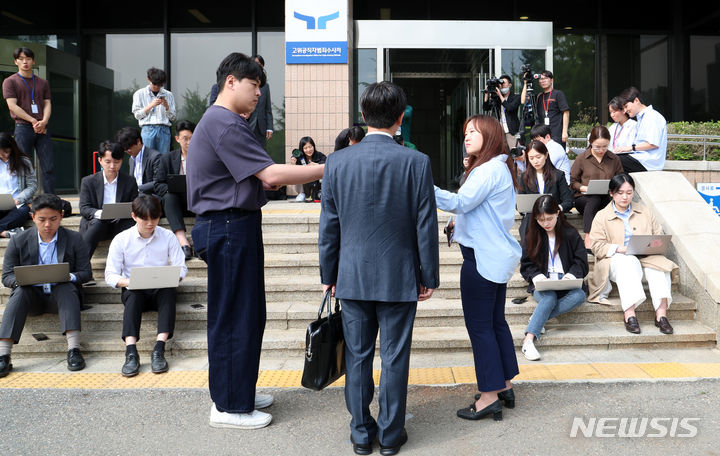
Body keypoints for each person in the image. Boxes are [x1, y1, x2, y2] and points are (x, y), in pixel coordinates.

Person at [186, 52, 323, 430]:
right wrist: (334, 166)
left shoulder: (222, 123)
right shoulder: (225, 123)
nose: (259, 93)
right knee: (236, 317)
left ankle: (238, 389)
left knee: (245, 313)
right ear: (231, 81)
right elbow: (270, 175)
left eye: (261, 86)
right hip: (228, 225)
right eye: (254, 85)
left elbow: (263, 177)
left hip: (231, 225)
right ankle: (230, 406)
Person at [319, 81, 439, 456]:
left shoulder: (336, 162)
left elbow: (329, 225)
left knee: (357, 355)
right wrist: (428, 275)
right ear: (400, 118)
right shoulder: (416, 162)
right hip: (400, 275)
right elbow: (425, 224)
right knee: (395, 356)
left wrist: (328, 275)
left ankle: (360, 434)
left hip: (350, 276)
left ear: (362, 114)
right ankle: (390, 436)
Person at [434, 115, 520, 423]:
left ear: (490, 134)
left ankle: (488, 397)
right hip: (493, 257)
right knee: (496, 323)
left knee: (480, 328)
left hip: (480, 260)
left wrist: (421, 185)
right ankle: (504, 385)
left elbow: (462, 201)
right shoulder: (498, 167)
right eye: (465, 131)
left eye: (473, 131)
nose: (467, 136)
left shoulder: (488, 169)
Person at [0, 194, 92, 377]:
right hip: (31, 297)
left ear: (61, 216)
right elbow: (6, 276)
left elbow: (86, 273)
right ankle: (3, 355)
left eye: (53, 219)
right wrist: (22, 280)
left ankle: (73, 350)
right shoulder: (19, 240)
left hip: (61, 296)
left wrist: (69, 276)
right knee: (20, 290)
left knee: (67, 287)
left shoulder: (74, 238)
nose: (48, 225)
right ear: (33, 217)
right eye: (42, 219)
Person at [104, 194, 187, 376]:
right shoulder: (121, 239)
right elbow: (110, 276)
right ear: (134, 216)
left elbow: (181, 267)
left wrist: (173, 277)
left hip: (161, 289)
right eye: (145, 219)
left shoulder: (168, 237)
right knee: (133, 295)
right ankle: (131, 352)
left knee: (168, 292)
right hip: (134, 289)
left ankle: (159, 348)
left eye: (155, 218)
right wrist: (131, 282)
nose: (150, 223)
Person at [588, 174, 677, 335]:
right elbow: (596, 245)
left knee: (659, 267)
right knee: (627, 262)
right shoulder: (602, 216)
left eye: (629, 192)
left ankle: (661, 315)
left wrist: (651, 244)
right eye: (620, 192)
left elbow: (658, 234)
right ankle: (630, 314)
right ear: (611, 193)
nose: (625, 196)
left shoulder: (645, 212)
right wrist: (620, 248)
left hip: (646, 256)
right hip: (617, 259)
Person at [519, 195, 588, 361]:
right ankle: (528, 340)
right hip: (543, 282)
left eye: (549, 218)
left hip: (566, 281)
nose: (546, 223)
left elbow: (581, 262)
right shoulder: (533, 235)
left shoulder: (570, 233)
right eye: (541, 220)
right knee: (548, 298)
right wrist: (538, 277)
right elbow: (526, 264)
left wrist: (570, 276)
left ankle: (539, 317)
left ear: (558, 212)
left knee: (579, 295)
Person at [2, 47, 54, 194]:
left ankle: (51, 200)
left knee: (48, 167)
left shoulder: (43, 83)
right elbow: (12, 105)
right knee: (21, 166)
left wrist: (43, 121)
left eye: (28, 58)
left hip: (42, 127)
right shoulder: (10, 81)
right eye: (21, 58)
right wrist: (33, 120)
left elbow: (47, 103)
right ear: (16, 61)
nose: (25, 61)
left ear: (33, 61)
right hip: (23, 127)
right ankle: (23, 198)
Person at [78, 141, 138, 259]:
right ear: (100, 160)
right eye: (108, 162)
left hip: (120, 224)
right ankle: (82, 263)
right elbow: (84, 208)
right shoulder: (88, 181)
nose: (112, 166)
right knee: (97, 223)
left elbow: (135, 205)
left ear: (121, 161)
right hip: (98, 224)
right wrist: (101, 214)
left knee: (133, 224)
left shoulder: (129, 181)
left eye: (116, 162)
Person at [569, 125, 624, 249]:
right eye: (597, 146)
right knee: (593, 198)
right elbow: (572, 182)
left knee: (607, 202)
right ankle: (588, 237)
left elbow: (621, 179)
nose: (601, 150)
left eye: (605, 146)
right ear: (591, 143)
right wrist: (584, 188)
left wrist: (613, 188)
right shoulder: (582, 158)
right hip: (584, 200)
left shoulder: (614, 159)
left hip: (606, 198)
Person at [154, 120, 195, 260]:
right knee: (169, 197)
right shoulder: (167, 159)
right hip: (176, 204)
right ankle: (183, 243)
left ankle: (201, 242)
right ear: (177, 139)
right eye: (185, 139)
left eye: (192, 138)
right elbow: (158, 184)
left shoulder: (203, 158)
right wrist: (172, 188)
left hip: (197, 201)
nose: (189, 142)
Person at [517, 140, 573, 244]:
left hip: (553, 216)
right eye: (531, 158)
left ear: (546, 155)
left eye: (538, 157)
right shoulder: (524, 177)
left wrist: (557, 208)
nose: (535, 161)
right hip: (533, 217)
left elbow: (568, 201)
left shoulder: (558, 175)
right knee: (529, 221)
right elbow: (520, 205)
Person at [614, 87, 667, 172]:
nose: (625, 111)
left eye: (626, 106)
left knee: (611, 160)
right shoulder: (641, 118)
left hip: (648, 163)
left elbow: (653, 144)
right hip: (640, 159)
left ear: (636, 101)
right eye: (623, 108)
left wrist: (629, 148)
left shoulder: (651, 117)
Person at [131, 67, 176, 155]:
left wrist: (166, 107)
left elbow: (173, 117)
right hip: (148, 128)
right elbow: (137, 115)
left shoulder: (169, 95)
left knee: (163, 160)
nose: (156, 87)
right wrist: (151, 105)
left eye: (159, 85)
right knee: (148, 159)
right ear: (148, 79)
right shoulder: (139, 94)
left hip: (164, 129)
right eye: (154, 84)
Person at [0, 132, 37, 238]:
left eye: (6, 151)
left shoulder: (24, 162)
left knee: (23, 212)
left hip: (18, 202)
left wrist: (19, 199)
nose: (4, 155)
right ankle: (4, 232)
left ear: (12, 147)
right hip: (1, 201)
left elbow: (32, 186)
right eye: (1, 153)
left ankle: (3, 231)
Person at [522, 70, 570, 149]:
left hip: (556, 133)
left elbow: (566, 112)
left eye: (545, 78)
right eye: (541, 79)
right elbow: (523, 101)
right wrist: (525, 83)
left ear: (552, 80)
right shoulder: (539, 96)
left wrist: (564, 132)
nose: (542, 81)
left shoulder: (558, 94)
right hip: (542, 135)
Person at [116, 126, 161, 195]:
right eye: (124, 149)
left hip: (151, 197)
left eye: (129, 147)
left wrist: (137, 188)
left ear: (138, 141)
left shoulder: (155, 157)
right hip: (136, 197)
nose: (127, 151)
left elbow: (158, 182)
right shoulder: (131, 160)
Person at [483, 75, 520, 150]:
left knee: (515, 155)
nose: (502, 85)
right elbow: (486, 108)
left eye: (504, 83)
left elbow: (510, 108)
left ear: (510, 85)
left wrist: (500, 95)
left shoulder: (516, 97)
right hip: (499, 132)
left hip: (511, 132)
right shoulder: (497, 99)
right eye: (501, 83)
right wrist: (486, 95)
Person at [247, 55, 273, 149]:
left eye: (259, 64)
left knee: (261, 152)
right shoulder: (246, 83)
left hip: (261, 127)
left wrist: (270, 127)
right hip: (248, 123)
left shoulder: (265, 86)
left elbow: (268, 108)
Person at [291, 136, 326, 202]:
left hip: (317, 183)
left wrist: (316, 165)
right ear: (302, 149)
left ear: (314, 146)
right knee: (296, 174)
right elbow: (294, 172)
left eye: (310, 147)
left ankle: (321, 193)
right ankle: (301, 194)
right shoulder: (299, 157)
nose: (308, 150)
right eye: (305, 148)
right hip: (304, 183)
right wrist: (293, 164)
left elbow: (326, 165)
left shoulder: (320, 155)